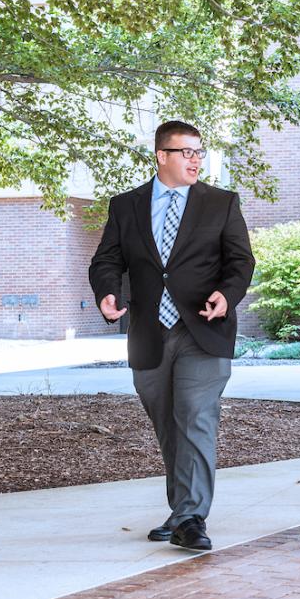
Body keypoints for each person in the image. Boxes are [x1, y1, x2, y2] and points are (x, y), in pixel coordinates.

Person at [89, 120, 254, 552]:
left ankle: (191, 517)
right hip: (149, 333)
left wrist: (227, 294)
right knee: (169, 426)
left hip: (203, 328)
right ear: (162, 155)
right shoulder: (126, 206)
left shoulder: (220, 203)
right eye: (186, 152)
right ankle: (182, 509)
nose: (196, 159)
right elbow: (106, 260)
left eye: (200, 152)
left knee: (196, 419)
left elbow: (241, 263)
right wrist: (108, 293)